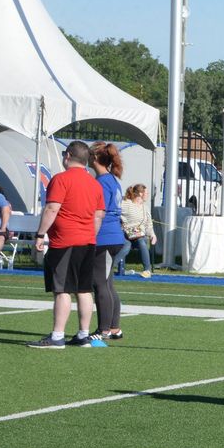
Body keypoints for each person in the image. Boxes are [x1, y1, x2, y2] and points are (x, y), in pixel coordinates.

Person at [27, 141, 105, 348]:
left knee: (62, 290)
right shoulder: (95, 184)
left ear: (68, 155)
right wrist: (89, 235)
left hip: (65, 242)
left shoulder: (61, 179)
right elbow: (98, 215)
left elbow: (52, 209)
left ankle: (57, 336)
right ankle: (83, 334)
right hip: (87, 241)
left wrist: (40, 234)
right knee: (84, 289)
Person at [90, 143, 126, 341]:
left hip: (104, 237)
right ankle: (114, 328)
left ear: (95, 158)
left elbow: (99, 212)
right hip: (113, 236)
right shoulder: (111, 179)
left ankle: (103, 329)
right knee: (108, 283)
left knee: (100, 283)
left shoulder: (103, 181)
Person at [114, 184, 156, 278]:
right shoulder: (126, 203)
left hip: (139, 236)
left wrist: (152, 235)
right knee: (126, 246)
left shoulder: (146, 208)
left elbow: (149, 224)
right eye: (146, 193)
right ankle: (109, 268)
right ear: (141, 194)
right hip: (125, 235)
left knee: (142, 240)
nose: (147, 195)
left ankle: (147, 270)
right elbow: (115, 209)